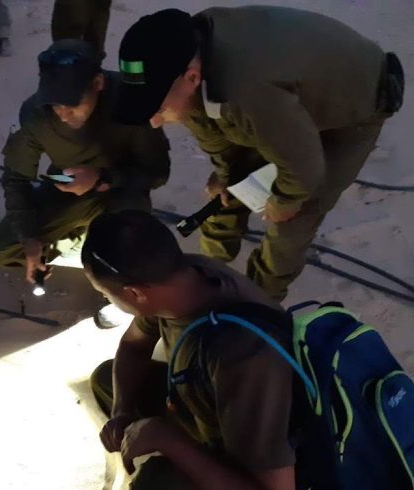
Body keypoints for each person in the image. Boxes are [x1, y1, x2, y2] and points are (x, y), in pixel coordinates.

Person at [113, 8, 405, 301]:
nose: (155, 122)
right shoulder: (185, 51)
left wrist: (285, 200)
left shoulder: (245, 90)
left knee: (293, 221)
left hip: (356, 104)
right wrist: (226, 176)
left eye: (159, 109)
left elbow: (305, 166)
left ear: (192, 77)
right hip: (287, 98)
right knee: (225, 191)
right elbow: (210, 131)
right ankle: (209, 273)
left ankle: (260, 302)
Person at [82, 210, 306, 490]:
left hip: (282, 481)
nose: (108, 300)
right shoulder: (183, 278)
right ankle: (179, 449)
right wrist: (122, 411)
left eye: (106, 294)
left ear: (135, 293)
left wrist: (169, 442)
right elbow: (134, 347)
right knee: (110, 380)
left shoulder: (240, 356)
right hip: (217, 410)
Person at [0, 39, 170, 326]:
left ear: (98, 83)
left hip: (121, 192)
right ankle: (83, 245)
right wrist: (30, 240)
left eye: (72, 103)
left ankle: (113, 286)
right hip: (68, 188)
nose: (62, 113)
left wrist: (103, 178)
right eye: (55, 104)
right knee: (1, 251)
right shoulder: (35, 115)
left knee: (132, 252)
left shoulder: (131, 102)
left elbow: (157, 172)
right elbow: (16, 179)